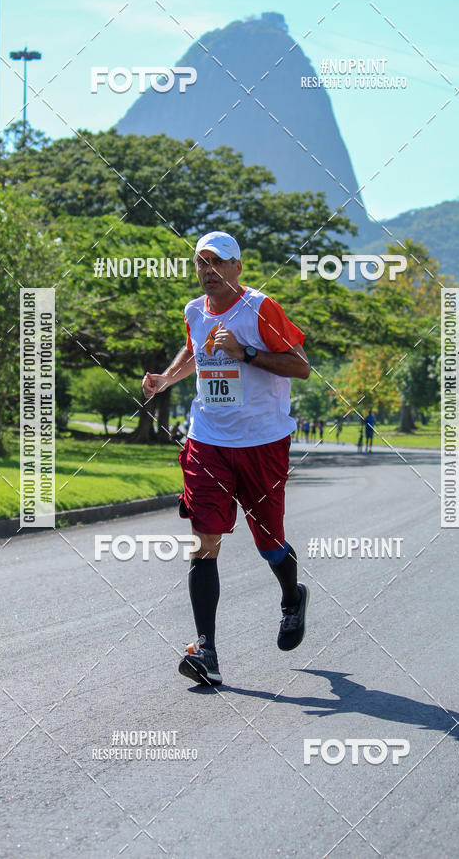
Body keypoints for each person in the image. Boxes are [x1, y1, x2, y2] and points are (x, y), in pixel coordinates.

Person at [142, 231, 311, 687]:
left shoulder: (261, 309)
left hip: (262, 443)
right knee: (203, 541)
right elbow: (197, 352)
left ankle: (292, 597)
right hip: (208, 441)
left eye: (217, 262)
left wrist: (246, 352)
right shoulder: (194, 310)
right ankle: (207, 651)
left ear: (238, 266)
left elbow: (301, 366)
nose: (208, 271)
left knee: (269, 544)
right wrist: (166, 379)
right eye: (201, 263)